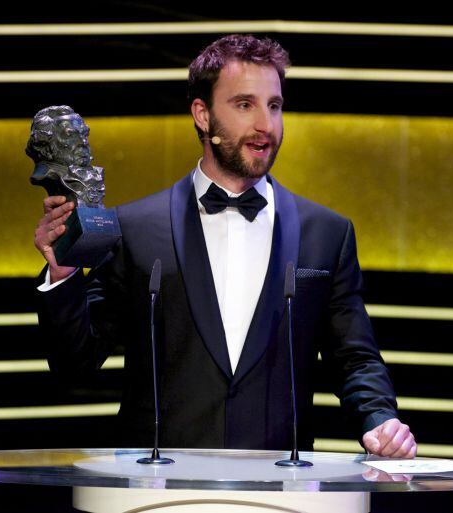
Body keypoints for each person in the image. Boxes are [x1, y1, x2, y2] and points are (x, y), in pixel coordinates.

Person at [34, 34, 416, 458]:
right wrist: (63, 273)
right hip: (158, 490)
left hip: (279, 491)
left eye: (274, 105)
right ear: (202, 114)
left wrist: (381, 420)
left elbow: (355, 358)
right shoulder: (136, 229)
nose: (265, 126)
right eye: (244, 105)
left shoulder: (327, 233)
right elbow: (75, 365)